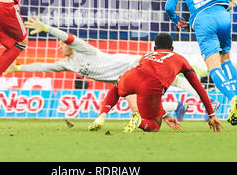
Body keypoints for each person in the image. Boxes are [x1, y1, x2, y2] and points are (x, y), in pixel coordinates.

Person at [6, 16, 206, 122]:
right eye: (58, 44)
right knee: (138, 109)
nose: (59, 46)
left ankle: (204, 99)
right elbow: (44, 67)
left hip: (129, 65)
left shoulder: (84, 49)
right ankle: (179, 107)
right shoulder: (67, 64)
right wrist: (18, 68)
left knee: (173, 78)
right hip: (122, 80)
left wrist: (47, 28)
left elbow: (68, 37)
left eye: (60, 44)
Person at [89, 33, 224, 133]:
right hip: (152, 85)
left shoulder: (147, 55)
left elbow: (145, 77)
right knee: (154, 125)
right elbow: (199, 89)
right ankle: (140, 122)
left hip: (133, 75)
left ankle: (101, 115)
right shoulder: (180, 59)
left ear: (154, 47)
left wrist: (164, 114)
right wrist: (211, 114)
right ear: (172, 48)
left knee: (117, 86)